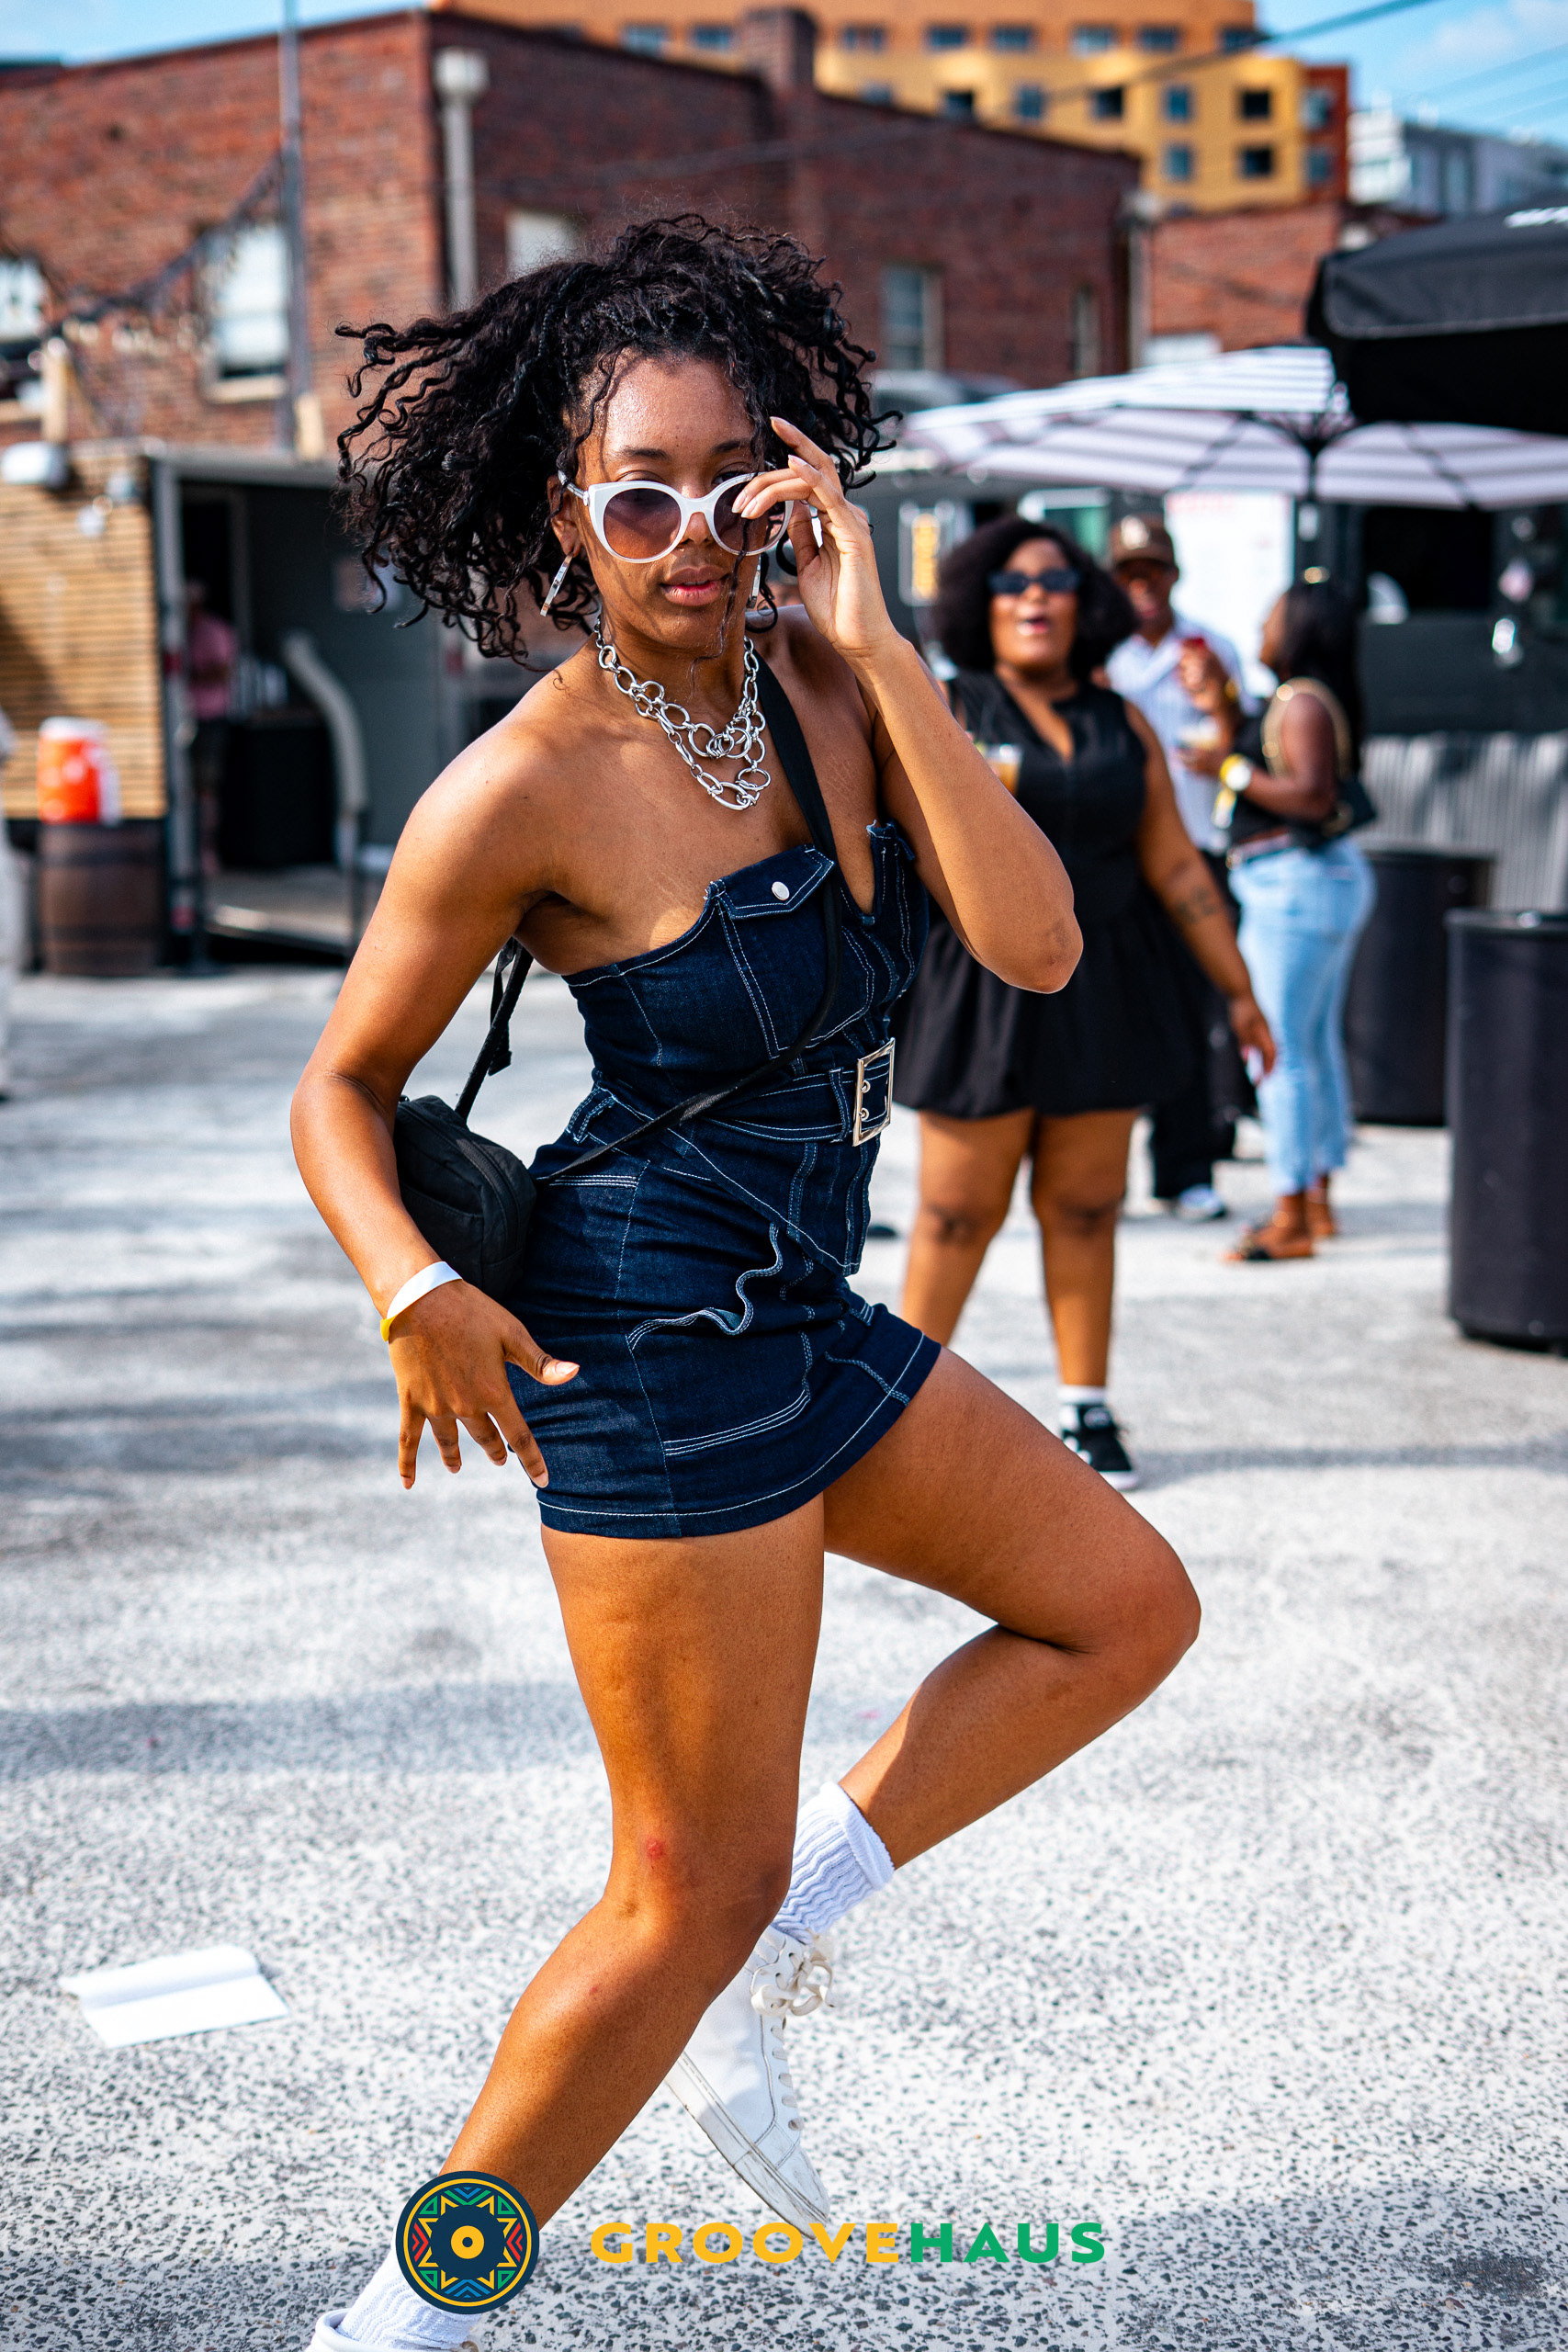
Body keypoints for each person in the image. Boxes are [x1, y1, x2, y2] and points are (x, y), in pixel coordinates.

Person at [289, 220, 1200, 2352]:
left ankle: (776, 1937)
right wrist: (410, 1281)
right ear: (562, 514)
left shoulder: (831, 692)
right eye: (639, 496)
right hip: (638, 1344)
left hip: (803, 1313)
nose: (691, 537)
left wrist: (878, 646)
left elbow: (1038, 944)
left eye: (734, 485)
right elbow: (337, 1085)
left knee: (1119, 1603)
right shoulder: (523, 783)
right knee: (666, 1893)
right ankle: (401, 2316)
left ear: (797, 484)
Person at [892, 514, 1275, 1491]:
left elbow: (1177, 866)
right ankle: (892, 1411)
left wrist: (1238, 991)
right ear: (979, 602)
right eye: (1013, 582)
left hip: (1106, 982)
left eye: (1056, 581)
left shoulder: (1122, 721)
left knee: (1088, 1206)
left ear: (1084, 603)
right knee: (953, 1211)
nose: (1035, 597)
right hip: (977, 984)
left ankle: (1086, 1406)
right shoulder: (948, 705)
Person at [1181, 577, 1376, 1261]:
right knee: (1311, 1044)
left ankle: (1290, 1213)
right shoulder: (1304, 700)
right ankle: (1315, 1197)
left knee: (1278, 1046)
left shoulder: (1301, 702)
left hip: (1292, 883)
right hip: (1310, 883)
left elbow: (1312, 796)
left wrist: (1228, 771)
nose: (1261, 627)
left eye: (1271, 616)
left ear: (1299, 628)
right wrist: (1220, 704)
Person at [1105, 512, 1255, 1223]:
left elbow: (1246, 746)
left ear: (1173, 575)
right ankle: (1100, 1173)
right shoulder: (1098, 652)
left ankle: (1185, 1168)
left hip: (1194, 850)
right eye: (1127, 573)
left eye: (1152, 571)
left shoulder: (1209, 648)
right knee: (1109, 1014)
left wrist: (1217, 699)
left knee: (1192, 1015)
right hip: (1115, 857)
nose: (1141, 586)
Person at [185, 580, 236, 874]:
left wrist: (189, 675)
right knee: (188, 788)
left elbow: (223, 671)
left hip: (209, 718)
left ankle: (207, 853)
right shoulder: (184, 630)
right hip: (187, 718)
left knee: (205, 787)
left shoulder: (211, 630)